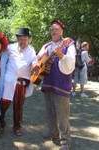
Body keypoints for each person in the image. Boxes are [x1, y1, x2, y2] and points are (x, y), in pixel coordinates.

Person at [32, 19, 75, 150]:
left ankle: (65, 142)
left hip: (61, 84)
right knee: (50, 112)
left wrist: (62, 55)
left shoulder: (68, 44)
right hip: (48, 83)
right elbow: (37, 57)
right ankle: (53, 134)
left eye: (56, 29)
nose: (53, 31)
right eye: (51, 30)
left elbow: (71, 64)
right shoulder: (47, 46)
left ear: (62, 30)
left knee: (62, 115)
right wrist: (35, 63)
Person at [0, 28, 36, 136]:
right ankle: (0, 123)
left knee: (18, 106)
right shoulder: (10, 48)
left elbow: (34, 61)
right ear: (17, 39)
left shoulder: (32, 51)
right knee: (3, 104)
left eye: (25, 39)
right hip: (9, 81)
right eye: (20, 39)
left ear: (28, 39)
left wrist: (35, 64)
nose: (22, 41)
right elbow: (0, 54)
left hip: (21, 83)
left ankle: (17, 127)